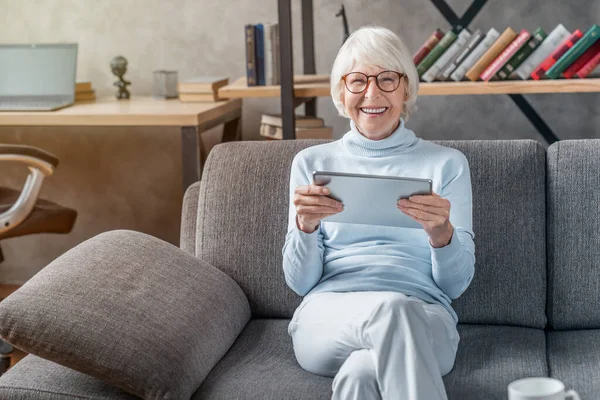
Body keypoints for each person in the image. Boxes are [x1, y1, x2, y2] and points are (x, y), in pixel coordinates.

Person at [282, 25, 475, 400]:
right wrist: (304, 227)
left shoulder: (447, 166)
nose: (372, 93)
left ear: (406, 89)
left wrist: (442, 235)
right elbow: (300, 284)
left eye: (387, 79)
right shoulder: (311, 163)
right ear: (341, 92)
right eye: (357, 81)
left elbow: (455, 286)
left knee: (360, 374)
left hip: (425, 316)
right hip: (329, 317)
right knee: (391, 310)